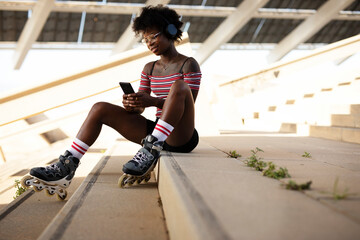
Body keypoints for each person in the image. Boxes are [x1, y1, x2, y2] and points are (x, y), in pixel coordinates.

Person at [25, 5, 202, 192]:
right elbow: (142, 107)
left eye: (153, 36)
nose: (149, 43)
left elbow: (188, 102)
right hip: (156, 132)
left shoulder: (188, 64)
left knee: (180, 87)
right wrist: (134, 104)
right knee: (99, 108)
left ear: (170, 30)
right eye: (145, 39)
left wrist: (155, 102)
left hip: (181, 134)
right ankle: (67, 164)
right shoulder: (149, 68)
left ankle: (150, 150)